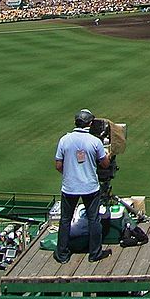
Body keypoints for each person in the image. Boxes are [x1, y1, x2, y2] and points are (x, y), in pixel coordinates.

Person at [54, 108, 112, 263]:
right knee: (94, 220)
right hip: (90, 187)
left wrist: (70, 175)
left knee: (65, 220)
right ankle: (95, 254)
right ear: (90, 123)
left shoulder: (64, 140)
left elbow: (58, 165)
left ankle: (62, 254)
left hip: (69, 187)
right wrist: (108, 155)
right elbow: (105, 164)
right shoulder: (94, 141)